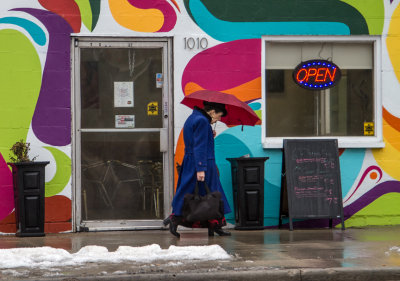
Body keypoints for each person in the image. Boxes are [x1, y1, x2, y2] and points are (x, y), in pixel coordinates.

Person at [163, 101, 232, 237]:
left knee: (189, 191)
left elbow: (194, 141)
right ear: (212, 111)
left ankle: (177, 218)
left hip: (192, 161)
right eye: (219, 115)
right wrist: (201, 168)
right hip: (202, 162)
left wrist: (208, 135)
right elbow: (199, 146)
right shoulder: (202, 121)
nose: (219, 119)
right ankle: (214, 224)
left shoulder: (194, 117)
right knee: (213, 194)